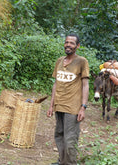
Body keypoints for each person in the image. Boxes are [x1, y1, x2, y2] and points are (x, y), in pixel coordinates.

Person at [47, 34, 89, 165]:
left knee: (70, 138)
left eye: (71, 43)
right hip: (59, 105)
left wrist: (83, 107)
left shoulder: (82, 61)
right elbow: (56, 83)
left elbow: (85, 85)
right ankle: (62, 161)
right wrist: (51, 105)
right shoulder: (59, 61)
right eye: (66, 42)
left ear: (77, 46)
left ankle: (69, 163)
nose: (68, 45)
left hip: (73, 107)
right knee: (59, 135)